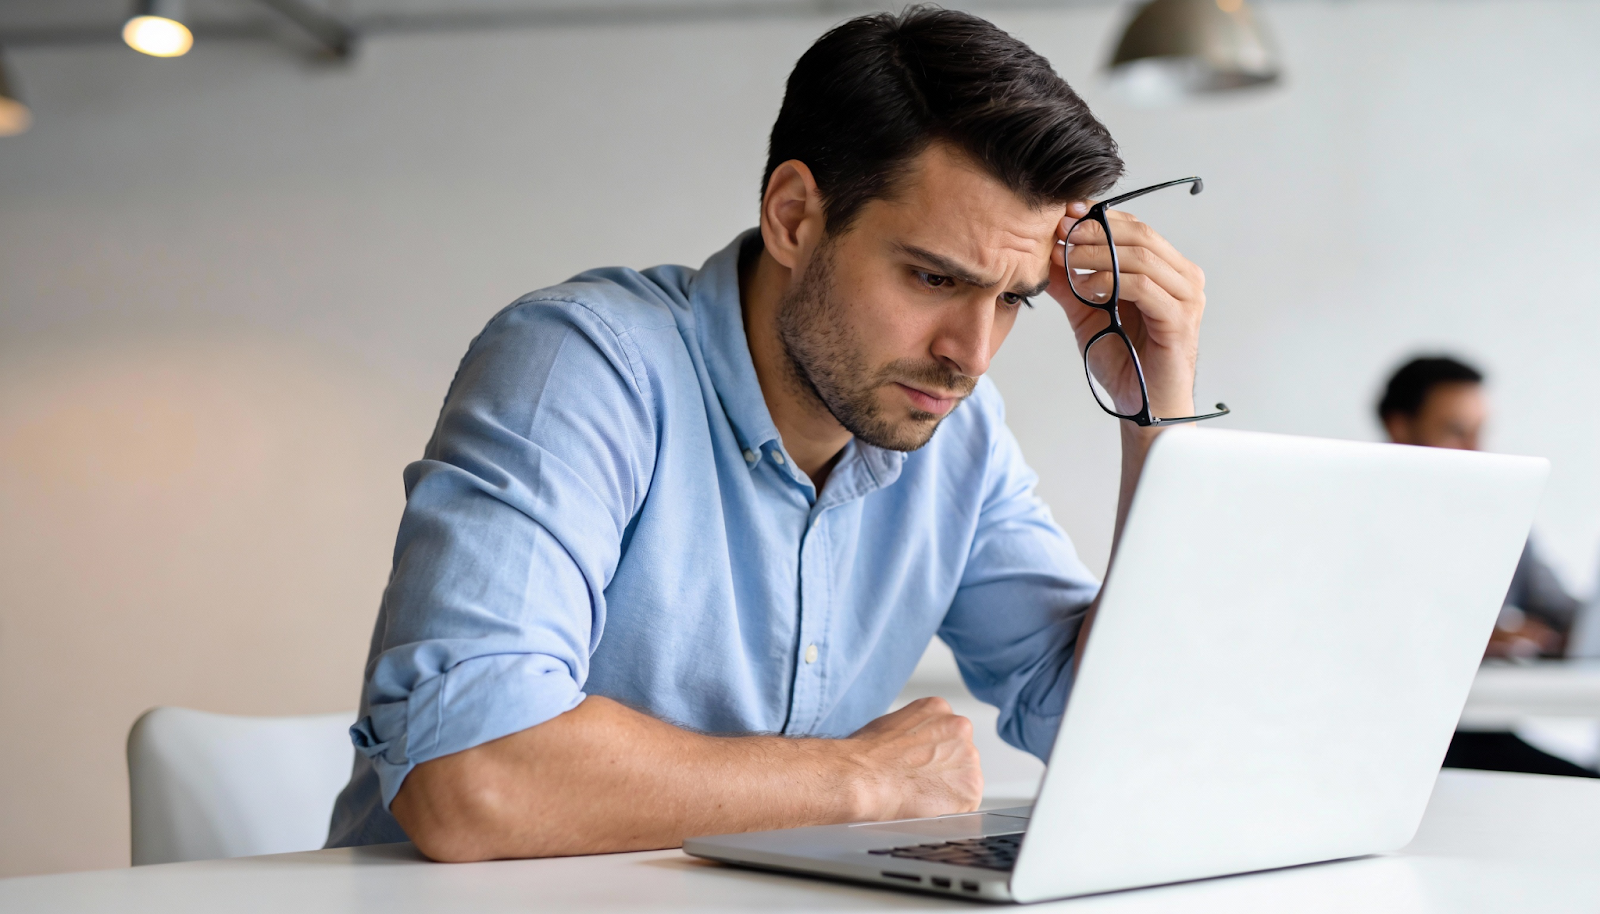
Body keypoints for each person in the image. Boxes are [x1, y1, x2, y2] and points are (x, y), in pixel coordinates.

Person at [327, 8, 1214, 859]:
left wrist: (1154, 407)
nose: (971, 355)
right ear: (794, 216)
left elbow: (1122, 730)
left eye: (1012, 298)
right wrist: (859, 781)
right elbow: (471, 775)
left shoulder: (959, 436)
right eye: (933, 278)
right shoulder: (585, 365)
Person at [1377, 355, 1596, 777]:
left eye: (1480, 431)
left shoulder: (1500, 517)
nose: (1476, 449)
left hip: (1482, 729)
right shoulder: (1362, 519)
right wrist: (1476, 636)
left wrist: (1568, 632)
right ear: (1399, 425)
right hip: (1403, 740)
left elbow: (1563, 611)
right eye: (1456, 430)